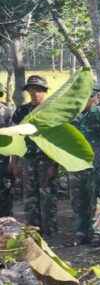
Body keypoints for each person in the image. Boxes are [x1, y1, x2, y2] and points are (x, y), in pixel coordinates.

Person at [12, 75, 59, 236]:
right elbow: (16, 136)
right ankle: (33, 231)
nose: (36, 93)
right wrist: (15, 162)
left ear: (44, 91)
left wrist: (54, 164)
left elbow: (59, 139)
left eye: (39, 89)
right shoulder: (21, 111)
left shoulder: (51, 111)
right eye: (33, 89)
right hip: (28, 160)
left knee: (47, 197)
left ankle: (49, 232)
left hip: (47, 160)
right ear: (28, 90)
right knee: (30, 198)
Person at [72, 84, 100, 245]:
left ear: (94, 97)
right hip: (75, 162)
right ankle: (80, 231)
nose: (86, 99)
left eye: (89, 96)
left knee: (96, 197)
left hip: (96, 162)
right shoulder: (72, 116)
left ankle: (96, 232)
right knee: (78, 197)